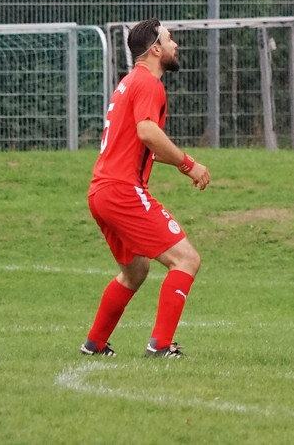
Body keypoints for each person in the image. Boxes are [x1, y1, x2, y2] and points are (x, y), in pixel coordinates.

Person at [79, 18, 211, 358]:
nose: (175, 44)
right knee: (186, 259)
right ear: (155, 49)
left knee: (135, 270)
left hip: (101, 192)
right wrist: (189, 164)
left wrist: (180, 162)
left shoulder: (128, 82)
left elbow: (140, 141)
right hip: (122, 191)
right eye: (169, 39)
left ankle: (94, 344)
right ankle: (161, 345)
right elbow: (147, 132)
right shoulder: (149, 83)